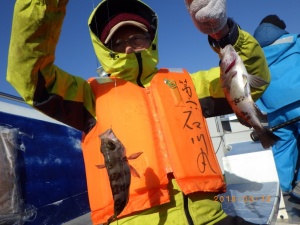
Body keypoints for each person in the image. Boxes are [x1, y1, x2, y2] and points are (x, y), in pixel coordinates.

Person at [7, 0, 270, 224]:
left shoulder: (188, 83)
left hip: (211, 216)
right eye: (118, 41)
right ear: (105, 49)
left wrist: (222, 31)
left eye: (137, 37)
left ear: (151, 38)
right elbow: (30, 76)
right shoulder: (87, 95)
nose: (129, 46)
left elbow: (249, 78)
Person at [254, 15, 300, 201]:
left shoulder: (255, 53)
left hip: (274, 109)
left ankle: (284, 191)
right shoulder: (295, 41)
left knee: (282, 148)